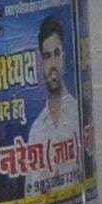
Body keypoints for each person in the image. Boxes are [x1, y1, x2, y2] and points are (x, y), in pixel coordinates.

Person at [26, 16, 81, 174]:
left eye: (57, 54)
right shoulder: (36, 130)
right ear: (41, 63)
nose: (53, 65)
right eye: (47, 56)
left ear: (64, 56)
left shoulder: (78, 113)